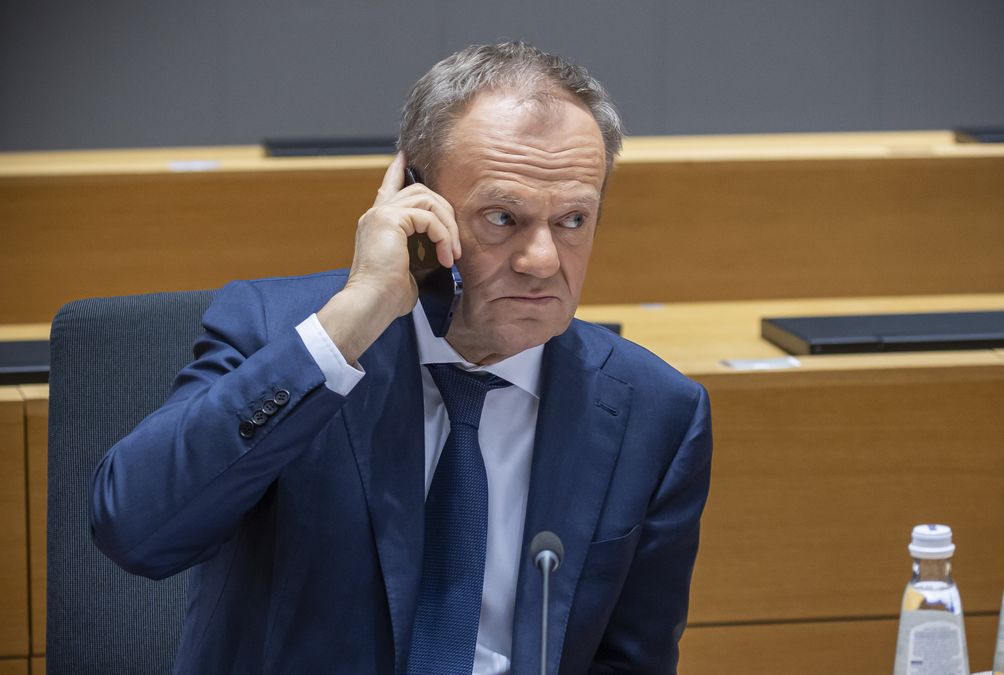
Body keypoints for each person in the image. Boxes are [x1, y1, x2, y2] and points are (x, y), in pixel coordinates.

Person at [91, 41, 712, 675]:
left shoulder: (654, 410)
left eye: (574, 220)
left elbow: (632, 659)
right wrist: (351, 321)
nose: (543, 261)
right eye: (503, 217)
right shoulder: (279, 334)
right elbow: (136, 533)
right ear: (416, 204)